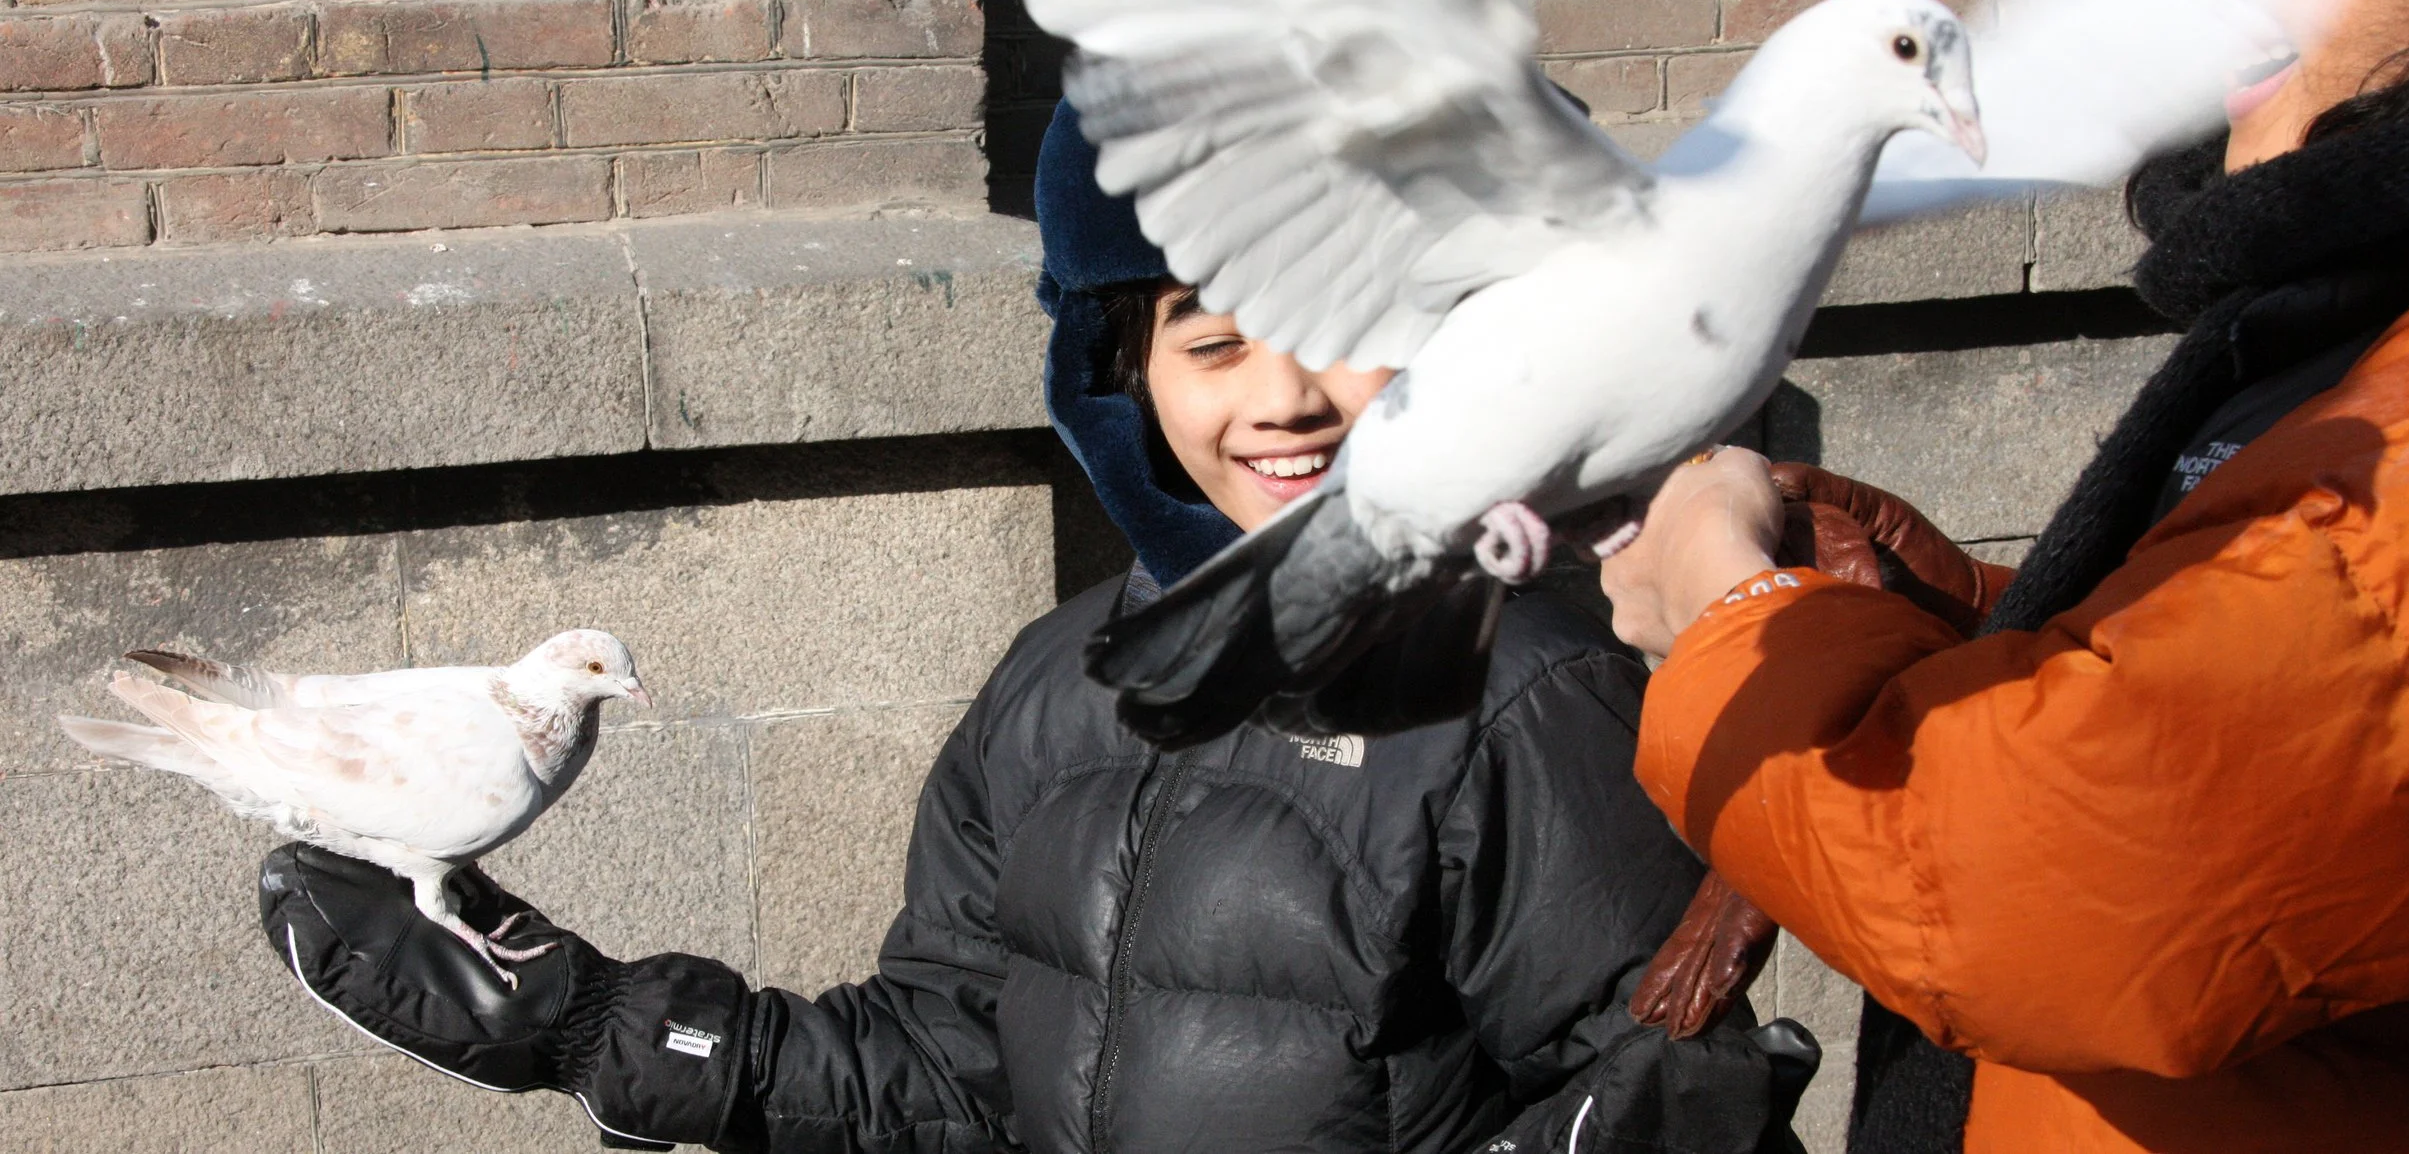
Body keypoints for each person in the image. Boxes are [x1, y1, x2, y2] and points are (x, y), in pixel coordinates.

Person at [257, 102, 1815, 1154]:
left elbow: (1672, 1091)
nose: (1280, 396)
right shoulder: (1059, 684)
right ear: (1125, 372)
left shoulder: (1529, 693)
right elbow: (949, 1064)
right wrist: (602, 1027)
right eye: (1208, 337)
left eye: (1342, 333)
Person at [1596, 0, 2409, 1151]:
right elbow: (2274, 736)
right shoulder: (2361, 319)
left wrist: (1737, 617)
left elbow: (2067, 882)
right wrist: (1965, 626)